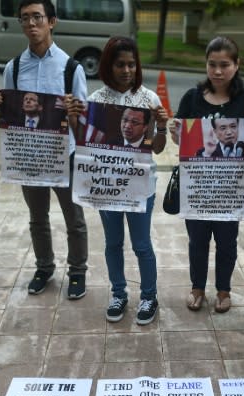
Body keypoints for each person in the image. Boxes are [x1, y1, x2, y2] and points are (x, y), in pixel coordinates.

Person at [67, 36, 168, 325]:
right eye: (120, 64)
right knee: (113, 243)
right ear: (108, 66)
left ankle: (149, 295)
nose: (126, 70)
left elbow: (158, 147)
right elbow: (84, 144)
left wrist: (160, 125)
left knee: (141, 244)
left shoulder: (149, 99)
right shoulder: (96, 101)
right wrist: (75, 119)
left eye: (131, 64)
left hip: (140, 187)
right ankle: (119, 293)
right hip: (107, 185)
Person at [0, 0, 89, 298]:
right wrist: (2, 106)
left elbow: (81, 126)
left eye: (37, 17)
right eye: (25, 19)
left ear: (52, 22)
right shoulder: (14, 67)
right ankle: (44, 267)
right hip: (30, 155)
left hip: (64, 153)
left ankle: (77, 272)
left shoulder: (72, 68)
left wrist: (74, 112)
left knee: (74, 219)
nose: (31, 24)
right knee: (37, 218)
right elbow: (10, 120)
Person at [170, 36, 244, 313]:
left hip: (231, 189)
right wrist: (177, 133)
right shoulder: (191, 98)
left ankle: (224, 290)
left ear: (237, 65)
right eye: (212, 64)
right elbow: (182, 144)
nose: (218, 71)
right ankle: (197, 287)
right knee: (197, 240)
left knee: (227, 241)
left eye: (225, 64)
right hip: (198, 187)